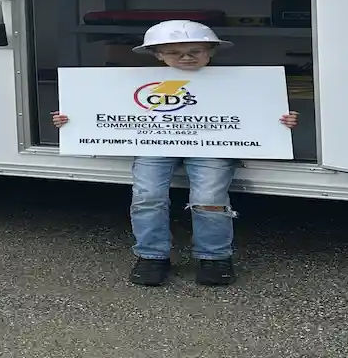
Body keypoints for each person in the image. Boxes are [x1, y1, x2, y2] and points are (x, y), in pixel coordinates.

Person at [53, 20, 298, 288]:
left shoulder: (236, 86)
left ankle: (214, 257)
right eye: (174, 52)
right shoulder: (130, 84)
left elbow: (262, 111)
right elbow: (97, 109)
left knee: (209, 198)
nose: (186, 57)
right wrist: (73, 120)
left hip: (213, 145)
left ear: (211, 51)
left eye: (195, 51)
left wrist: (281, 120)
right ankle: (151, 256)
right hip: (155, 144)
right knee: (147, 196)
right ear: (157, 54)